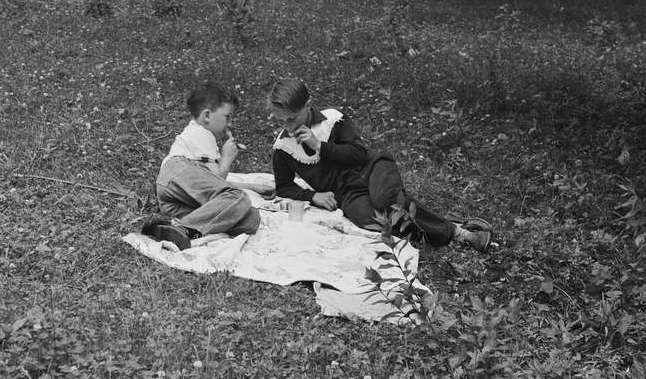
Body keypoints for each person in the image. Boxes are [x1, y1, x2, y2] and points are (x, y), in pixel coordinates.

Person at [266, 78, 492, 250]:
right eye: (281, 120)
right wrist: (313, 196)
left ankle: (459, 233)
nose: (288, 126)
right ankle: (439, 221)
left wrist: (319, 146)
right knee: (371, 220)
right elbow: (284, 186)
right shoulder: (284, 147)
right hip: (348, 193)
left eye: (292, 118)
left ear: (308, 105)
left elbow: (359, 154)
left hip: (372, 167)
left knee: (387, 200)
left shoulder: (332, 119)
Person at [141, 81, 260, 249]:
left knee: (250, 218)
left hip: (176, 201)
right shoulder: (201, 133)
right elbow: (218, 179)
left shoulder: (200, 134)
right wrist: (226, 158)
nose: (230, 123)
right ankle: (183, 229)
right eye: (227, 117)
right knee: (238, 197)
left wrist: (256, 187)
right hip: (177, 170)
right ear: (207, 116)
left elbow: (211, 186)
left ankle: (171, 227)